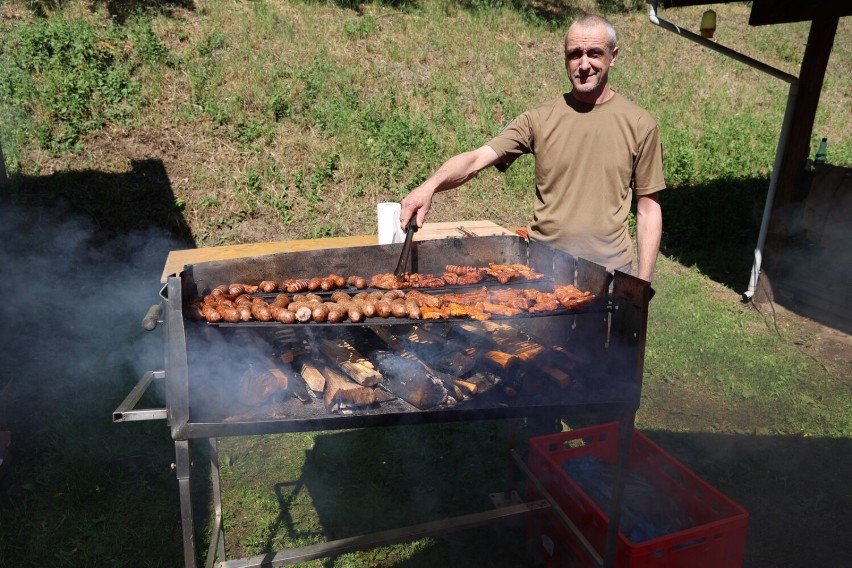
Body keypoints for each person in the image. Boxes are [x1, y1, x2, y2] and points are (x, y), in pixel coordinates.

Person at [400, 14, 665, 282]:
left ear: (613, 55)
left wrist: (642, 285)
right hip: (544, 273)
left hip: (608, 276)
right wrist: (429, 186)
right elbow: (477, 159)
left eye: (594, 53)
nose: (584, 64)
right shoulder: (538, 120)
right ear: (565, 58)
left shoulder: (640, 124)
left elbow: (648, 208)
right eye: (575, 54)